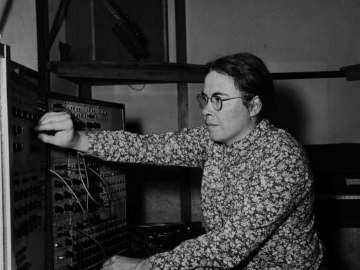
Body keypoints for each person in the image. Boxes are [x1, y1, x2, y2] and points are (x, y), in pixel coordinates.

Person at [36, 52, 324, 269]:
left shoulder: (283, 158)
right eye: (205, 98)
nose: (207, 111)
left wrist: (145, 266)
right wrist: (78, 140)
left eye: (219, 99)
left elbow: (229, 246)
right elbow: (148, 147)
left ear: (255, 105)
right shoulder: (213, 140)